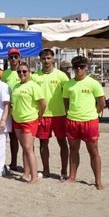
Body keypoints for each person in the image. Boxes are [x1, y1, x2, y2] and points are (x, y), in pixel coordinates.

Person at [62, 55, 106, 190]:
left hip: (89, 121)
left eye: (81, 67)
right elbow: (66, 103)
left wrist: (93, 114)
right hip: (73, 121)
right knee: (73, 149)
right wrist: (72, 114)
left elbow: (101, 103)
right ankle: (72, 177)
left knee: (93, 151)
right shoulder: (68, 84)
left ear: (86, 67)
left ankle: (98, 180)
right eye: (76, 67)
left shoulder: (93, 83)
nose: (78, 70)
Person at [34, 49, 70, 180]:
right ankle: (46, 170)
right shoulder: (35, 76)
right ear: (40, 60)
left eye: (48, 58)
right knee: (43, 144)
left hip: (59, 114)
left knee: (62, 142)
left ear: (53, 59)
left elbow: (68, 95)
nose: (46, 61)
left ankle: (64, 171)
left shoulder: (61, 76)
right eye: (44, 58)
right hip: (43, 115)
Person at [11, 62, 46, 184]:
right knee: (24, 148)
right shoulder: (16, 86)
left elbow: (43, 104)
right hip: (17, 120)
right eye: (19, 72)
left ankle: (34, 177)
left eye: (24, 71)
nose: (22, 73)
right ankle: (26, 173)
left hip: (29, 120)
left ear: (29, 72)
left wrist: (39, 116)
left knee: (28, 148)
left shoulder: (33, 86)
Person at [2, 47, 22, 171]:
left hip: (23, 109)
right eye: (11, 57)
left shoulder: (25, 71)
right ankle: (13, 162)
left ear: (19, 57)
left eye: (15, 56)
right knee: (13, 138)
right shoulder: (5, 73)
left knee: (26, 139)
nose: (13, 59)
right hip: (10, 109)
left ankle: (29, 165)